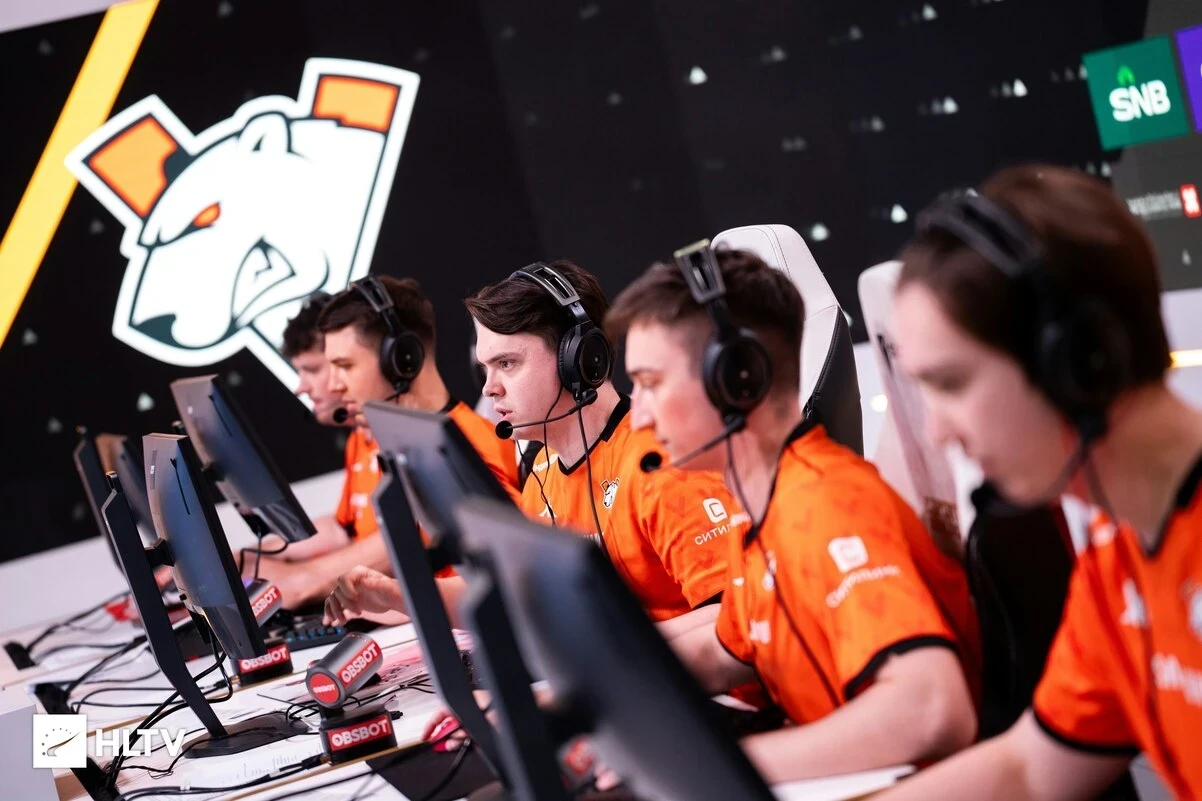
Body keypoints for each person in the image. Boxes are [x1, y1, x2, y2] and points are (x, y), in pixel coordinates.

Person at [874, 166, 1202, 799]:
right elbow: (1030, 767)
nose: (937, 432)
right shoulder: (1117, 549)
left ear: (1078, 361)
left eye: (952, 383)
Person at [603, 242, 981, 784]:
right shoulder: (759, 506)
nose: (637, 415)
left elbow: (932, 709)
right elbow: (725, 650)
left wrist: (712, 768)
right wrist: (585, 697)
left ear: (736, 379)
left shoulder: (826, 505)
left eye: (651, 384)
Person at [326, 260, 746, 627]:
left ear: (578, 360)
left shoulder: (662, 468)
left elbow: (733, 620)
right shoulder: (543, 469)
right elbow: (518, 601)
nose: (489, 388)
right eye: (486, 368)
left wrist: (600, 654)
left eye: (507, 363)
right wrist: (397, 596)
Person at [252, 275, 520, 610]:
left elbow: (511, 587)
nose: (333, 386)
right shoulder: (412, 445)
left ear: (402, 359)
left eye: (344, 366)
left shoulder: (470, 451)